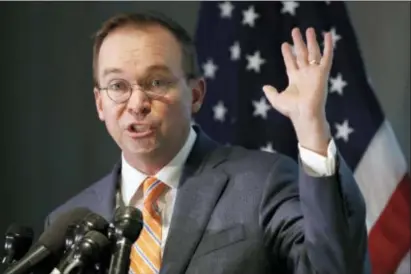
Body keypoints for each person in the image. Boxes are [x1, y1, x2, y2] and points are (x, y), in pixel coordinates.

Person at [45, 11, 369, 274]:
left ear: (196, 95)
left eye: (156, 82)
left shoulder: (262, 184)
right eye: (117, 86)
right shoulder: (68, 221)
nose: (137, 103)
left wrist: (312, 124)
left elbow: (336, 267)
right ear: (100, 104)